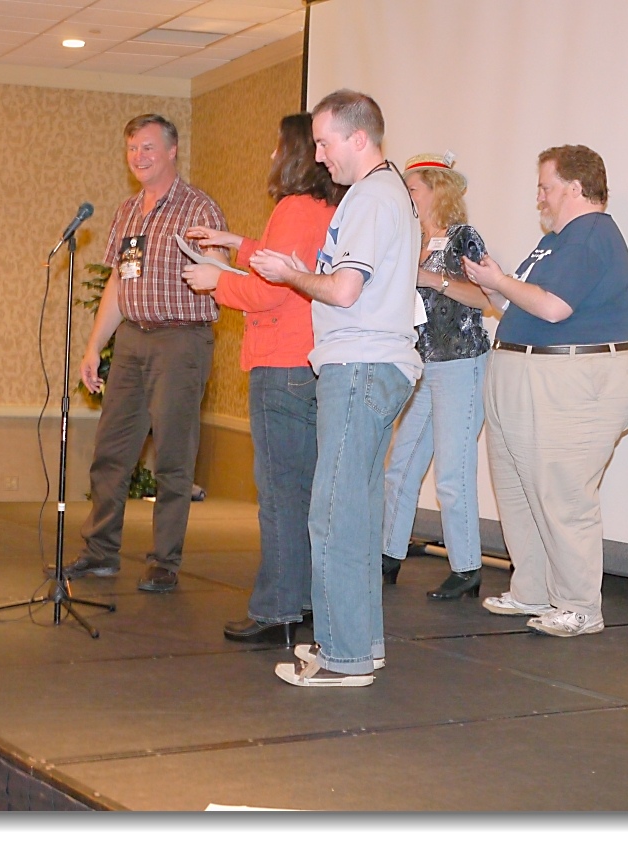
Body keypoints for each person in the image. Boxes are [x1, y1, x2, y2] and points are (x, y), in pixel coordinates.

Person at [250, 90, 422, 687]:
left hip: (360, 365)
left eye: (325, 143)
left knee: (331, 515)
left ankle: (342, 657)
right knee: (356, 514)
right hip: (378, 365)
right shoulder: (388, 192)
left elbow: (344, 290)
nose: (319, 155)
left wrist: (290, 274)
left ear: (358, 137)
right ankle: (360, 644)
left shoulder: (371, 196)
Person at [462, 144, 628, 637]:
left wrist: (500, 280)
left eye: (546, 186)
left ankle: (580, 606)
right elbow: (522, 302)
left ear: (575, 188)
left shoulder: (590, 235)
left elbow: (553, 307)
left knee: (563, 496)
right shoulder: (557, 242)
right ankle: (534, 590)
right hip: (529, 374)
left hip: (573, 380)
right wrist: (493, 284)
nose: (539, 196)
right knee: (519, 491)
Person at [182, 113, 346, 645]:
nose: (272, 157)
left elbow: (270, 290)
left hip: (281, 364)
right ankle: (303, 602)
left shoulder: (293, 207)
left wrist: (215, 281)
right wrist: (236, 242)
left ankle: (277, 610)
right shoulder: (327, 206)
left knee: (280, 496)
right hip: (311, 362)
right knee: (304, 493)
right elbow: (286, 264)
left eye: (279, 148)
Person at [57, 113, 227, 593]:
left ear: (172, 151)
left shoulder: (198, 208)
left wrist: (215, 266)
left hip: (181, 340)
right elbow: (118, 281)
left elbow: (222, 272)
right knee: (111, 451)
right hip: (132, 339)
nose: (139, 157)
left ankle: (164, 560)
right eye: (133, 148)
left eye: (149, 147)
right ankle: (100, 552)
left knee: (173, 455)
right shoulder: (128, 211)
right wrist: (94, 347)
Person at [380, 153, 492, 600]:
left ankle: (467, 568)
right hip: (421, 365)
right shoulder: (409, 239)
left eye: (412, 189)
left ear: (437, 191)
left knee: (451, 472)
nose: (406, 196)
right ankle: (388, 555)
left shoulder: (463, 238)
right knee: (401, 464)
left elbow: (485, 297)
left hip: (461, 363)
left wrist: (431, 278)